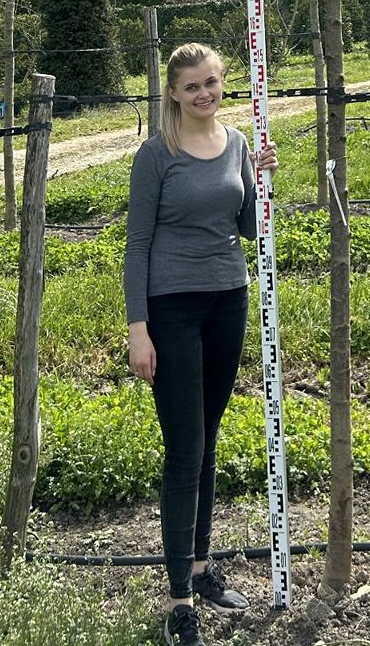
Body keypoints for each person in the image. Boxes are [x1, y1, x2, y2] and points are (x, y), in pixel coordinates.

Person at [124, 41, 278, 646]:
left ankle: (200, 565)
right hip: (171, 309)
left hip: (227, 300)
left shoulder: (237, 144)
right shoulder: (156, 156)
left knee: (208, 440)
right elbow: (137, 245)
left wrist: (263, 182)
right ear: (174, 93)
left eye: (212, 83)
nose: (205, 94)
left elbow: (246, 226)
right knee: (184, 449)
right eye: (192, 87)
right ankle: (179, 601)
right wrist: (139, 328)